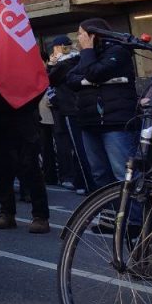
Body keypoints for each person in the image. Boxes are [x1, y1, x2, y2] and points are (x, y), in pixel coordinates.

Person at [0, 41, 50, 234]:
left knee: (29, 163)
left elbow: (39, 77)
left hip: (20, 113)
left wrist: (29, 105)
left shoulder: (18, 42)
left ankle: (40, 215)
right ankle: (7, 212)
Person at [66, 18, 139, 191]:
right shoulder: (86, 56)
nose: (78, 38)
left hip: (116, 123)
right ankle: (109, 209)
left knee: (123, 175)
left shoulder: (118, 51)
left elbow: (94, 73)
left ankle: (133, 210)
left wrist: (88, 52)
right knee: (99, 174)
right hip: (90, 123)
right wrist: (87, 73)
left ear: (93, 35)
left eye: (81, 34)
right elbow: (70, 79)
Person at [46, 36, 90, 194]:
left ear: (59, 47)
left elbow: (47, 80)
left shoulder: (64, 64)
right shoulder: (80, 59)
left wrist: (50, 65)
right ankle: (84, 181)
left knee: (77, 147)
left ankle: (82, 183)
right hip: (83, 107)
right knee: (85, 146)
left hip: (70, 108)